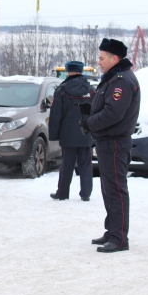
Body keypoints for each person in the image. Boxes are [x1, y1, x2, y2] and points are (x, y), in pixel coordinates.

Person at [85, 39, 140, 253]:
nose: (98, 62)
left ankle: (119, 238)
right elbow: (105, 106)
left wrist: (89, 123)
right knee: (109, 189)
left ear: (114, 59)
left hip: (115, 142)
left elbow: (113, 113)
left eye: (101, 58)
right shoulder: (113, 79)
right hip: (108, 141)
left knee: (116, 189)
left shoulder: (121, 81)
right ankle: (112, 230)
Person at [49, 61, 95, 202]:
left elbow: (56, 114)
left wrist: (54, 135)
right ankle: (86, 193)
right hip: (86, 132)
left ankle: (62, 193)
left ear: (68, 72)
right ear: (81, 71)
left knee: (67, 165)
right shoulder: (91, 90)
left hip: (68, 134)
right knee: (86, 164)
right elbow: (97, 111)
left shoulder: (62, 90)